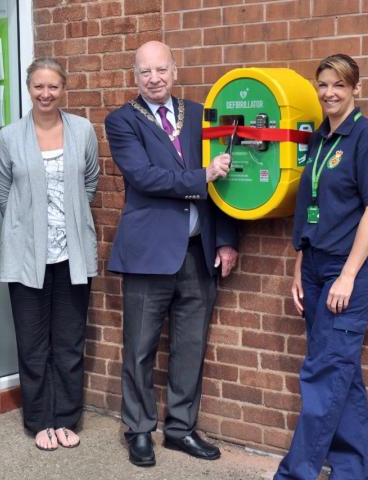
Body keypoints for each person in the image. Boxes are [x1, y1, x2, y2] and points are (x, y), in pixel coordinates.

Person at [104, 41, 239, 467]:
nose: (154, 78)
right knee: (140, 347)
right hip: (148, 253)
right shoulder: (122, 121)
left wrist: (226, 239)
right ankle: (139, 430)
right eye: (145, 72)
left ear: (175, 70)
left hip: (199, 252)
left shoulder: (200, 114)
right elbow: (144, 177)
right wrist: (202, 175)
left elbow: (228, 183)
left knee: (190, 345)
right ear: (135, 76)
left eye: (161, 69)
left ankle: (180, 428)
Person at [275, 54, 368, 480]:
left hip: (351, 273)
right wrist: (298, 268)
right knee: (342, 375)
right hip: (314, 268)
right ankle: (352, 471)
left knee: (324, 374)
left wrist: (345, 275)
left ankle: (296, 473)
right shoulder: (317, 142)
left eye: (339, 85)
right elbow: (309, 208)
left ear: (355, 89)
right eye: (323, 84)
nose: (329, 93)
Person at [0, 57, 99, 451]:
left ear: (63, 88)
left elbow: (90, 181)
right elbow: (3, 192)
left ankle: (67, 418)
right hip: (26, 256)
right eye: (38, 86)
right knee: (33, 345)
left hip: (72, 255)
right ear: (28, 87)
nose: (45, 94)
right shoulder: (8, 137)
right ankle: (39, 420)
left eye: (53, 86)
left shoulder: (83, 130)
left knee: (70, 342)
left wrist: (65, 223)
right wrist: (29, 227)